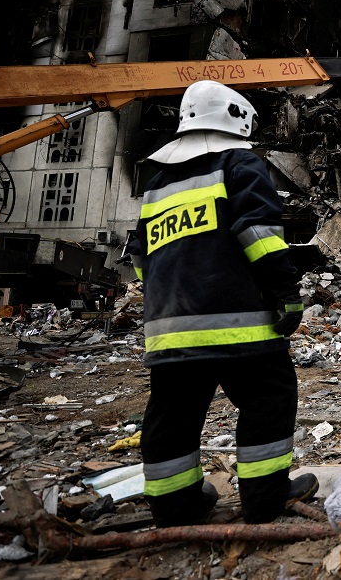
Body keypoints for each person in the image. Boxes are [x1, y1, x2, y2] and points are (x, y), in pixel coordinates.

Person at [129, 80, 318, 527]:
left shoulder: (158, 185)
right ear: (238, 120)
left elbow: (140, 259)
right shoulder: (239, 164)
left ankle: (174, 507)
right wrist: (286, 296)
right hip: (240, 327)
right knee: (268, 399)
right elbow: (260, 236)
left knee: (171, 417)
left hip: (170, 332)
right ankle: (263, 497)